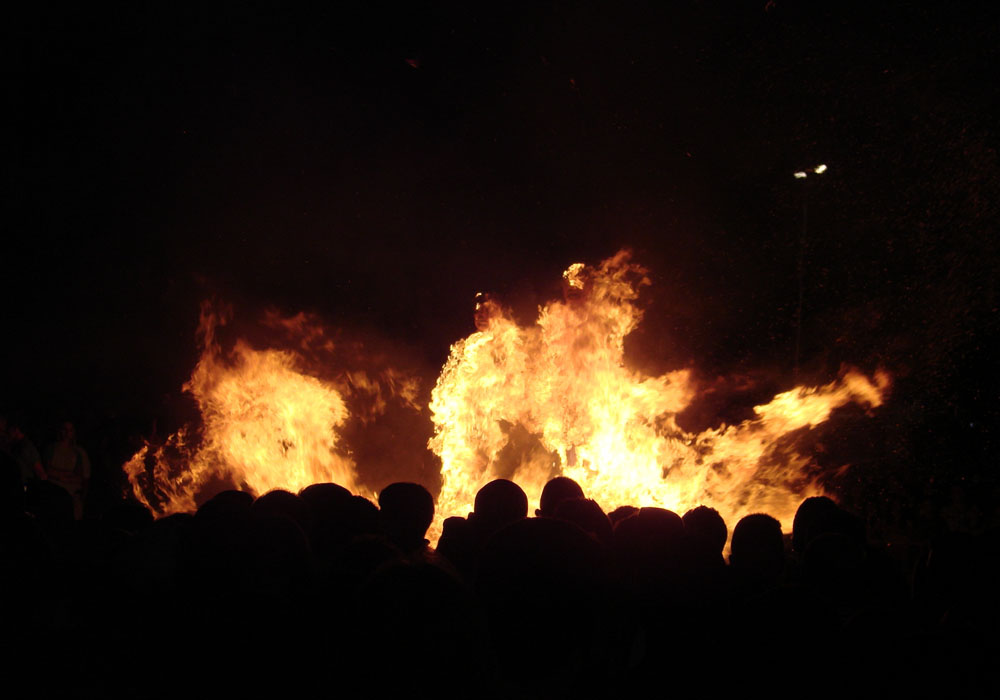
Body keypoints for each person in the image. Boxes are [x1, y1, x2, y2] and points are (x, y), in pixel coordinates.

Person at [44, 421, 89, 518]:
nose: (67, 433)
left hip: (71, 496)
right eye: (64, 429)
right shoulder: (52, 448)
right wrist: (63, 476)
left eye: (70, 430)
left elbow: (82, 477)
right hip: (52, 494)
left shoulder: (79, 453)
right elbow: (47, 471)